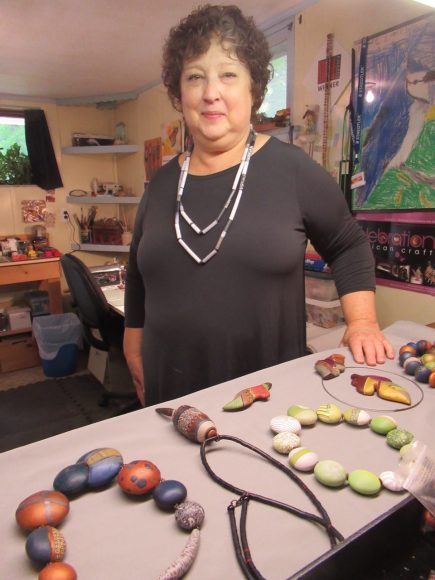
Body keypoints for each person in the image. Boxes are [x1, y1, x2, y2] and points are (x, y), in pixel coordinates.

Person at [124, 4, 394, 407]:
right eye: (195, 76)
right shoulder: (162, 184)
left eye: (228, 75)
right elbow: (140, 271)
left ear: (254, 89)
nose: (210, 92)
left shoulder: (292, 170)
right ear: (179, 94)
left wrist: (363, 323)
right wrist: (132, 341)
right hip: (171, 395)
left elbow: (348, 244)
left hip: (266, 399)